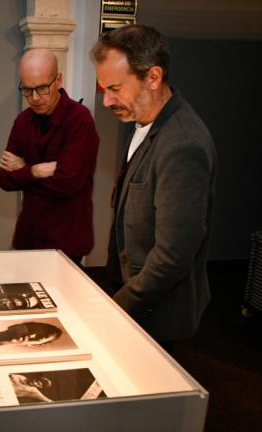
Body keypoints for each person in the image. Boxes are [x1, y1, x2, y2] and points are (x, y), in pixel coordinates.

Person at [90, 25, 216, 345]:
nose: (107, 101)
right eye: (104, 89)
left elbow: (173, 256)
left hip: (159, 316)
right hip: (134, 302)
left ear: (153, 77)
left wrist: (117, 306)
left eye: (115, 88)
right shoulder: (144, 120)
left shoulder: (182, 144)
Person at [0, 48, 99, 267]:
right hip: (28, 238)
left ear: (58, 80)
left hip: (66, 242)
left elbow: (67, 183)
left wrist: (24, 170)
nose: (34, 98)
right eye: (27, 89)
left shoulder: (80, 119)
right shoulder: (23, 121)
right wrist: (36, 170)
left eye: (42, 88)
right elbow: (4, 180)